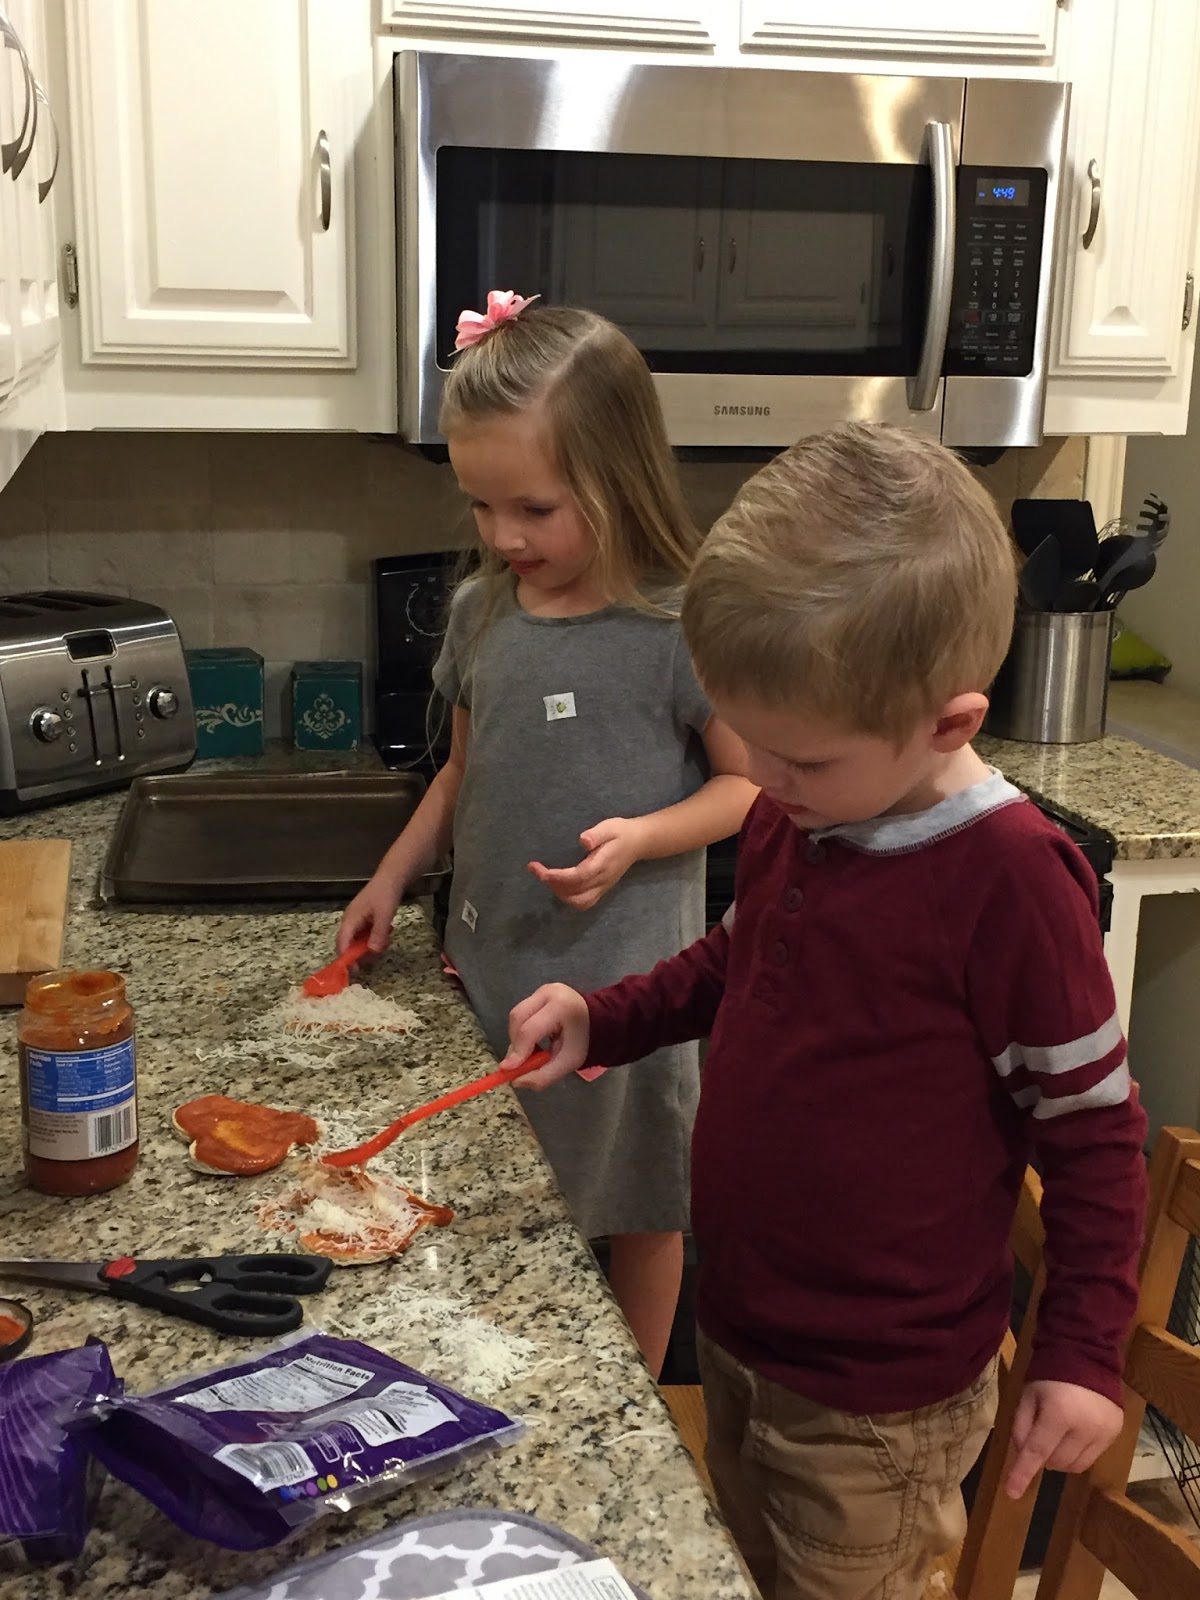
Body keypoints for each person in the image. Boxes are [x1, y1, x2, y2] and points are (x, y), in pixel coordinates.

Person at [499, 423, 1149, 1600]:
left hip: (878, 1404)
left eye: (800, 757)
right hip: (743, 1328)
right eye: (754, 741)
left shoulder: (1009, 880)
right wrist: (606, 1018)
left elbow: (1094, 1132)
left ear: (949, 724)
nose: (764, 779)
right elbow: (732, 962)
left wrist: (1083, 1349)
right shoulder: (807, 812)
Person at [338, 290, 757, 1378]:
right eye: (480, 505)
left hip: (626, 990)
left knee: (643, 1206)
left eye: (532, 507)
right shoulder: (483, 614)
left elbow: (748, 790)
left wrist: (643, 837)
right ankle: (509, 1375)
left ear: (619, 480)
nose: (501, 536)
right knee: (497, 1196)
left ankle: (631, 1402)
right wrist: (389, 877)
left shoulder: (677, 625)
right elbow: (461, 773)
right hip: (488, 971)